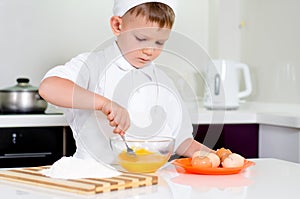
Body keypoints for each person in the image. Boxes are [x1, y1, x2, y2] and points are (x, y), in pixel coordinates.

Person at [39, 0, 213, 164]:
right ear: (117, 25)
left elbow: (182, 141)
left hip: (150, 182)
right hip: (94, 179)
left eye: (160, 42)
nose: (149, 50)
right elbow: (49, 88)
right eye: (141, 39)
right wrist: (104, 104)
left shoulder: (164, 81)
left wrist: (214, 156)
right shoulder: (93, 65)